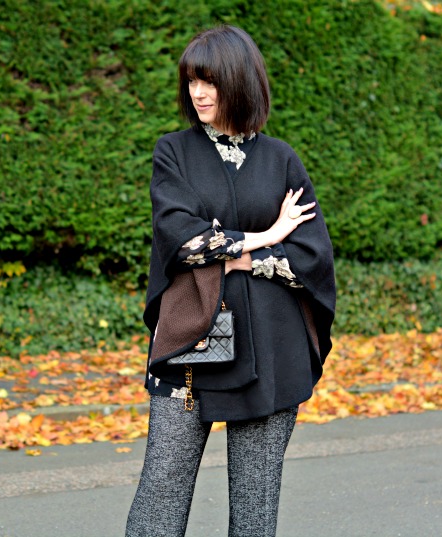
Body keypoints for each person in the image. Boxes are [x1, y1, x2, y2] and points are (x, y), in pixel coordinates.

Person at [125, 25, 336, 537]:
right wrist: (265, 236)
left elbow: (311, 256)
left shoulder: (282, 159)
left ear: (240, 83)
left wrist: (235, 253)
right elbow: (181, 238)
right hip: (190, 346)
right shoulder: (173, 151)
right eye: (193, 80)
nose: (198, 92)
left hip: (272, 350)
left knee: (255, 517)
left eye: (211, 81)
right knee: (158, 506)